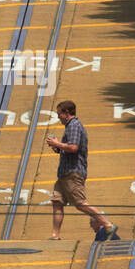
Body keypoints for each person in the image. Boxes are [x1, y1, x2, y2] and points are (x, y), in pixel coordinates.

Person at [46, 100, 119, 242]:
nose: (58, 117)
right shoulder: (69, 126)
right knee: (57, 202)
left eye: (59, 114)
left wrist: (57, 144)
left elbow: (73, 148)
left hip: (73, 172)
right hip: (64, 174)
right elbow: (67, 149)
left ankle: (108, 225)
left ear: (67, 113)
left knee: (80, 203)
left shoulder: (74, 125)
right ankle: (55, 235)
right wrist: (57, 147)